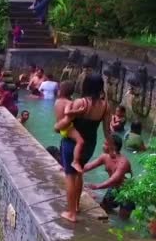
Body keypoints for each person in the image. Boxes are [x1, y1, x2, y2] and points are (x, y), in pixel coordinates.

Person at [55, 74, 112, 223]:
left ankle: (71, 213)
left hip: (71, 144)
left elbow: (64, 125)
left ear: (85, 86)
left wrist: (58, 125)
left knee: (69, 176)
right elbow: (107, 131)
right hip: (89, 145)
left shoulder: (80, 102)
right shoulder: (105, 106)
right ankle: (77, 206)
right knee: (79, 174)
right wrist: (112, 148)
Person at [84, 136, 134, 220]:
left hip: (127, 192)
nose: (103, 146)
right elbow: (89, 166)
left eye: (105, 144)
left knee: (123, 220)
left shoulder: (123, 163)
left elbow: (113, 179)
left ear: (113, 147)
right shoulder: (105, 157)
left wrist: (96, 186)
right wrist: (73, 169)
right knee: (104, 210)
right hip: (114, 187)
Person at [54, 80, 85, 174]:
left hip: (60, 126)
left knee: (63, 144)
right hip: (67, 127)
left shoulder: (57, 101)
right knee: (80, 141)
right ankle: (75, 161)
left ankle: (64, 165)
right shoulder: (68, 102)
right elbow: (67, 112)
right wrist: (78, 111)